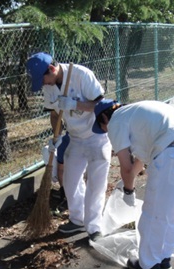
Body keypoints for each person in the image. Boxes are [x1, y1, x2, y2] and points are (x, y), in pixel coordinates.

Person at [93, 99, 174, 269]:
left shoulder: (116, 121)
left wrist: (129, 191)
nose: (106, 133)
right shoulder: (139, 112)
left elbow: (127, 166)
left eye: (103, 128)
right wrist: (129, 185)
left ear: (104, 119)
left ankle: (149, 264)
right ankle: (165, 258)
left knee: (153, 213)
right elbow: (139, 161)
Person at [26, 52, 111, 242]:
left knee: (96, 184)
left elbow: (100, 105)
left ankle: (94, 226)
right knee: (71, 181)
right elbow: (55, 114)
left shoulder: (81, 75)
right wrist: (55, 136)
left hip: (97, 135)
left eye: (44, 79)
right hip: (75, 138)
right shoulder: (49, 85)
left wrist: (75, 104)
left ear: (51, 69)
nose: (44, 85)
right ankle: (78, 219)